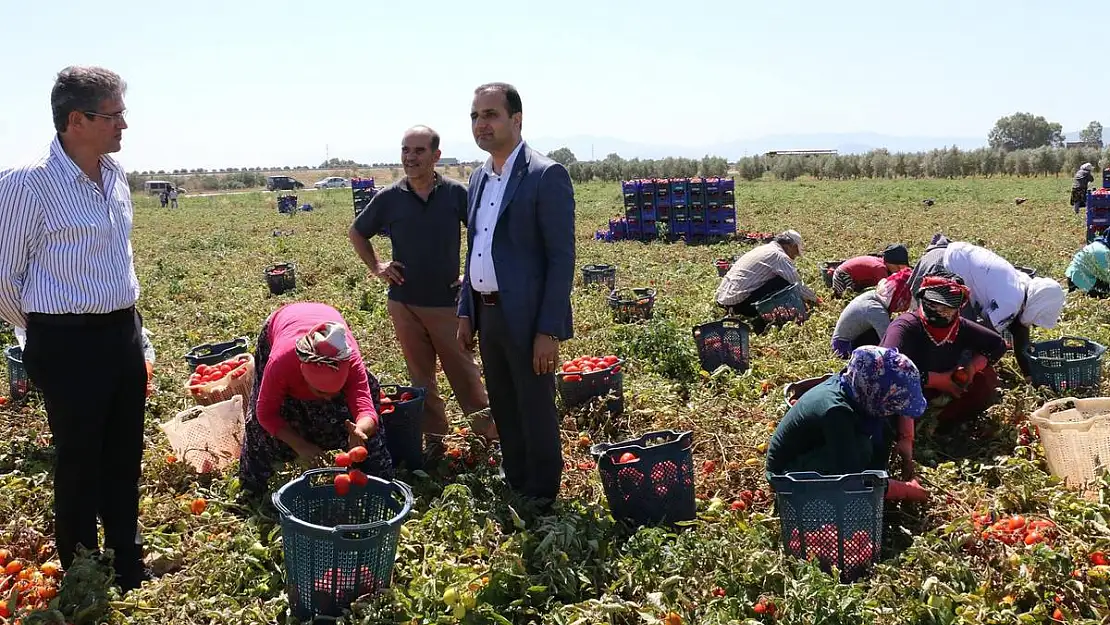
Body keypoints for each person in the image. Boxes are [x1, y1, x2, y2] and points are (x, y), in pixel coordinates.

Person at [0, 66, 150, 590]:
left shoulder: (115, 176)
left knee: (125, 452)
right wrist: (44, 329)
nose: (123, 126)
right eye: (113, 116)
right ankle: (83, 566)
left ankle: (127, 558)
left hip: (121, 334)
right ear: (75, 121)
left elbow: (120, 260)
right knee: (80, 456)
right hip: (67, 341)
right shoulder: (28, 183)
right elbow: (4, 277)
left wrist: (135, 332)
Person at [456, 82, 575, 508]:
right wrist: (466, 311)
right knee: (504, 401)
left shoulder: (546, 175)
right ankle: (517, 479)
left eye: (490, 114)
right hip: (488, 313)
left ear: (516, 120)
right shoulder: (479, 177)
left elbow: (561, 260)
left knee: (535, 405)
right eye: (474, 116)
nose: (481, 124)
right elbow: (476, 248)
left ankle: (542, 493)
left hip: (527, 316)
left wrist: (549, 330)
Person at [349, 125, 495, 459]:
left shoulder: (456, 194)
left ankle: (491, 437)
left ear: (436, 156)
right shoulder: (389, 198)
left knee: (465, 373)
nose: (410, 158)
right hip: (404, 304)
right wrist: (377, 267)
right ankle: (434, 441)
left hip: (446, 303)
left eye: (419, 151)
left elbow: (484, 232)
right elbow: (358, 233)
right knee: (420, 378)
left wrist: (470, 273)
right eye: (406, 150)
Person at [238, 302, 393, 493]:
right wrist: (299, 445)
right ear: (303, 375)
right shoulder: (281, 363)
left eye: (337, 391)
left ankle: (377, 488)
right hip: (282, 324)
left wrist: (361, 429)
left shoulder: (349, 358)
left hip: (326, 317)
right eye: (321, 392)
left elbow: (364, 405)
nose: (328, 399)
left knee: (371, 440)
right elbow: (266, 413)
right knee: (260, 429)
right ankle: (252, 492)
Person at [766, 346, 929, 501]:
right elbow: (852, 480)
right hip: (786, 475)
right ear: (875, 392)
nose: (893, 411)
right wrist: (905, 490)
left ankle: (876, 488)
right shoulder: (836, 412)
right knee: (862, 449)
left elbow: (882, 432)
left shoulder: (855, 388)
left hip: (816, 448)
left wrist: (902, 456)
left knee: (883, 430)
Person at [880, 273, 1008, 427]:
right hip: (909, 391)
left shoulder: (960, 327)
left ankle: (941, 423)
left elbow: (997, 345)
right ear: (923, 299)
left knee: (984, 381)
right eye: (934, 305)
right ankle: (911, 429)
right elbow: (885, 368)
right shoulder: (906, 326)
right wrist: (936, 380)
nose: (940, 312)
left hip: (946, 388)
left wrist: (972, 368)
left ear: (958, 308)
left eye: (947, 308)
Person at [942, 241, 1065, 376]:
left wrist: (1029, 375)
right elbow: (979, 336)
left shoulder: (1022, 286)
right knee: (958, 342)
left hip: (951, 254)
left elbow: (1020, 334)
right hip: (944, 269)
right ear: (1037, 308)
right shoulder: (1011, 303)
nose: (1034, 325)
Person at [714, 230, 818, 332]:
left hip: (724, 299)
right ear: (789, 246)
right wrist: (816, 300)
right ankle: (761, 322)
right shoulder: (779, 256)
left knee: (781, 278)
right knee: (784, 282)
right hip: (739, 303)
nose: (795, 256)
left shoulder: (765, 249)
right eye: (796, 251)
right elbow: (796, 285)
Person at [830, 268, 912, 358]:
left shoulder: (874, 295)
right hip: (843, 348)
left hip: (851, 338)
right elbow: (889, 345)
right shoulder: (877, 311)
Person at [831, 244, 911, 298]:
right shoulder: (880, 269)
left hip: (848, 275)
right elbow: (886, 291)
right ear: (891, 263)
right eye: (898, 268)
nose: (898, 271)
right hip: (842, 276)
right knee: (849, 298)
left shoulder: (882, 263)